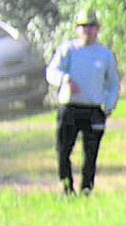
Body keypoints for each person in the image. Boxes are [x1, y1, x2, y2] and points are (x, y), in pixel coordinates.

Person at [47, 10, 120, 196]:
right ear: (77, 29)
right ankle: (67, 187)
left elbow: (112, 83)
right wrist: (65, 79)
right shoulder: (68, 50)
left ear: (98, 29)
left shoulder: (104, 54)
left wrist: (109, 105)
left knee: (91, 153)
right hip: (70, 107)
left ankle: (87, 189)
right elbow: (51, 72)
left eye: (92, 27)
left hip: (93, 109)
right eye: (84, 27)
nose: (88, 31)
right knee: (63, 150)